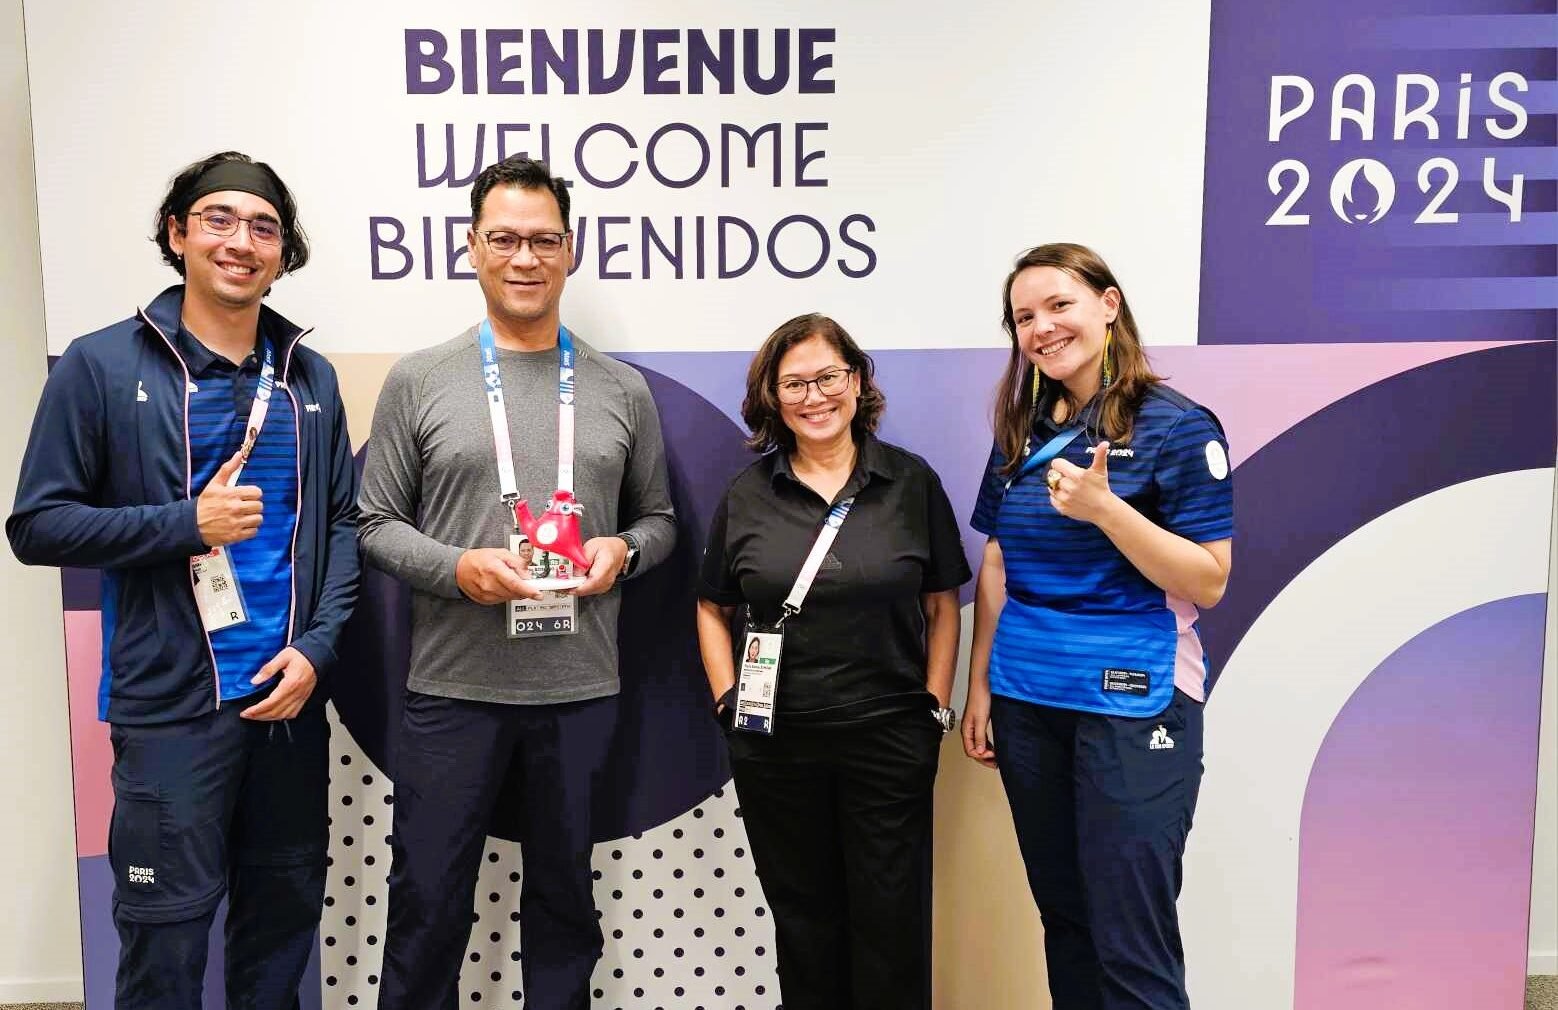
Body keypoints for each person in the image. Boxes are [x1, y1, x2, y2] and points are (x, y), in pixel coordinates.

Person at [6, 151, 360, 1009]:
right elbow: (37, 525)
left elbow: (344, 525)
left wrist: (316, 651)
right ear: (177, 233)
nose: (242, 241)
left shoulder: (308, 375)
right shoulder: (101, 366)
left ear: (284, 251)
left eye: (264, 227)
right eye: (219, 219)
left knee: (278, 934)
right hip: (171, 711)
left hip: (285, 703)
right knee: (165, 941)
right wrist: (183, 525)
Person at [359, 155, 676, 1010]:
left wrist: (625, 553)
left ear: (571, 251)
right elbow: (374, 523)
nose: (524, 258)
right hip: (453, 690)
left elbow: (660, 520)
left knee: (566, 903)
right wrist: (458, 570)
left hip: (578, 689)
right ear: (473, 248)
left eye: (543, 240)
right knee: (427, 901)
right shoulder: (420, 378)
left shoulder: (622, 389)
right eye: (505, 239)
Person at [961, 243, 1234, 1010]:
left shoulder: (1178, 428)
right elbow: (997, 561)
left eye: (1059, 305)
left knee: (1130, 935)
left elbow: (1209, 580)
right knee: (1068, 920)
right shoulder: (1018, 431)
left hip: (1135, 701)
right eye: (1023, 316)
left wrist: (1105, 510)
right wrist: (980, 685)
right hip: (1028, 698)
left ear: (1108, 305)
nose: (1042, 328)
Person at [696, 313, 970, 1010]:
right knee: (804, 920)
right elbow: (710, 606)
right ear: (773, 396)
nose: (814, 396)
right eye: (795, 383)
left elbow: (943, 604)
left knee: (892, 924)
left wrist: (934, 708)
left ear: (857, 382)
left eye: (828, 377)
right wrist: (730, 703)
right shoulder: (749, 494)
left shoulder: (910, 483)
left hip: (888, 739)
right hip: (775, 745)